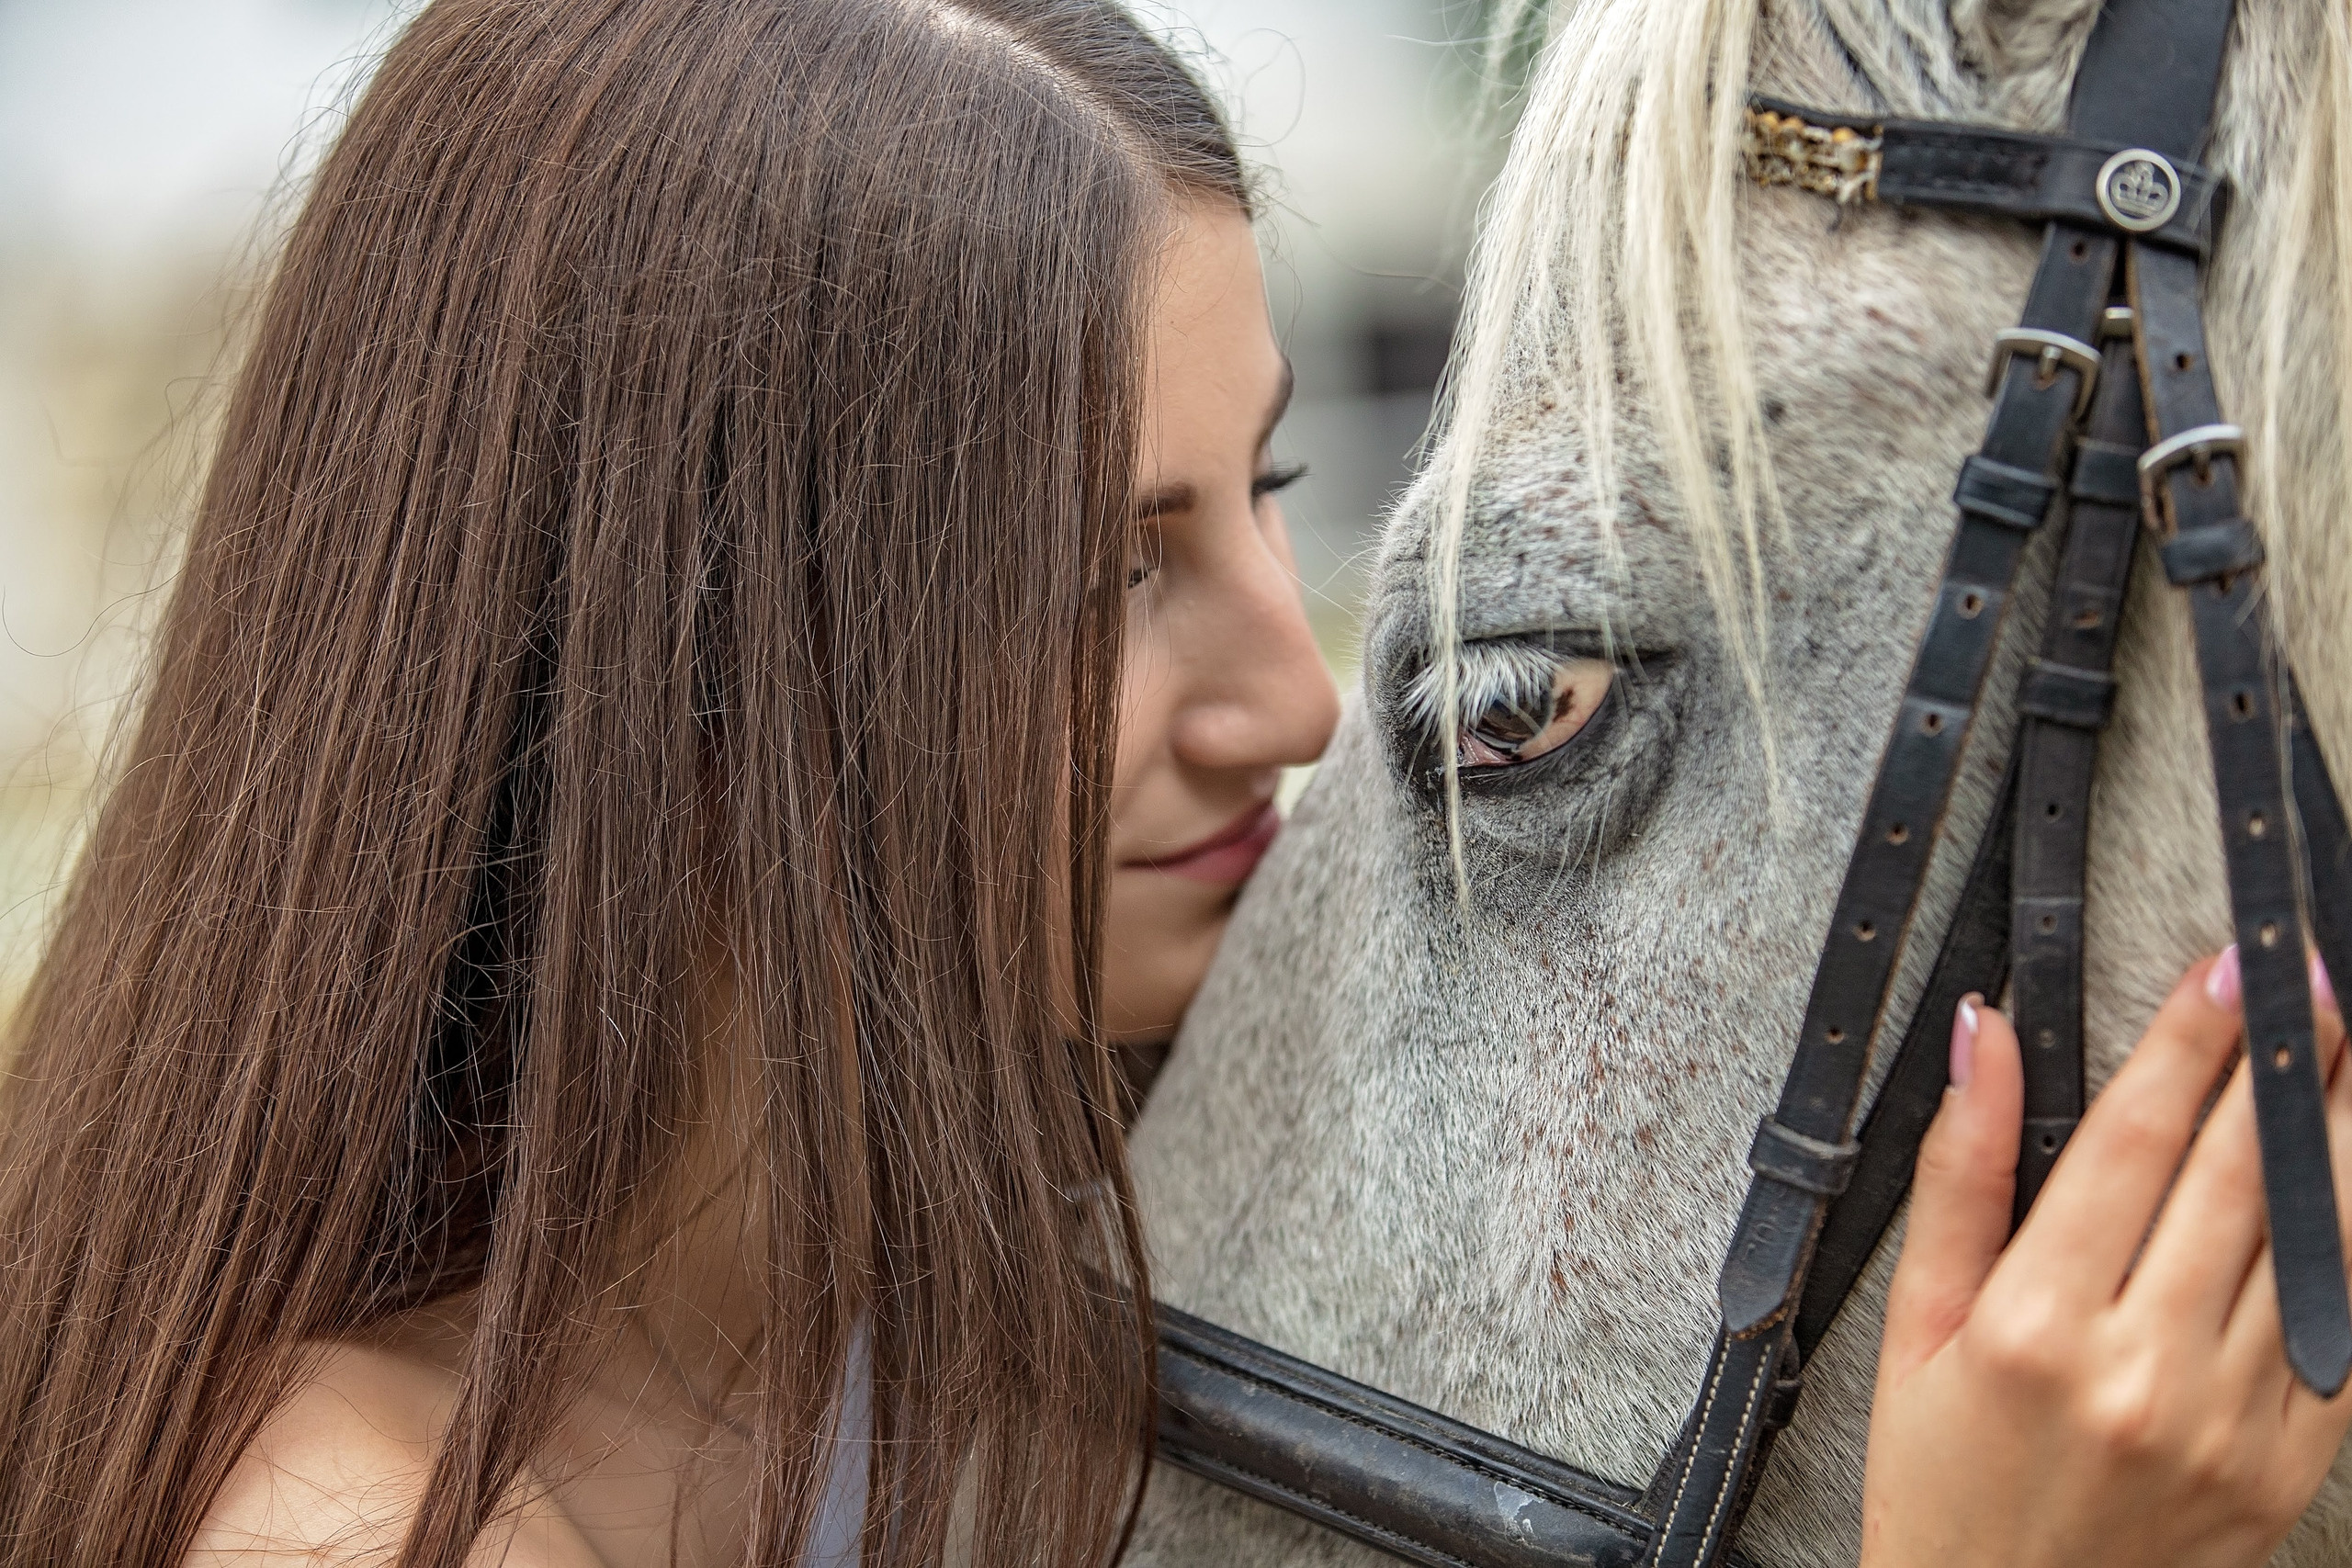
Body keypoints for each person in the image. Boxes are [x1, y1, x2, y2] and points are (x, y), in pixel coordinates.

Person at [0, 4, 2341, 1566]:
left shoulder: (991, 1321)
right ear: (667, 652)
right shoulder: (345, 1524)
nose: (1292, 698)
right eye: (1119, 565)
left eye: (1261, 499)